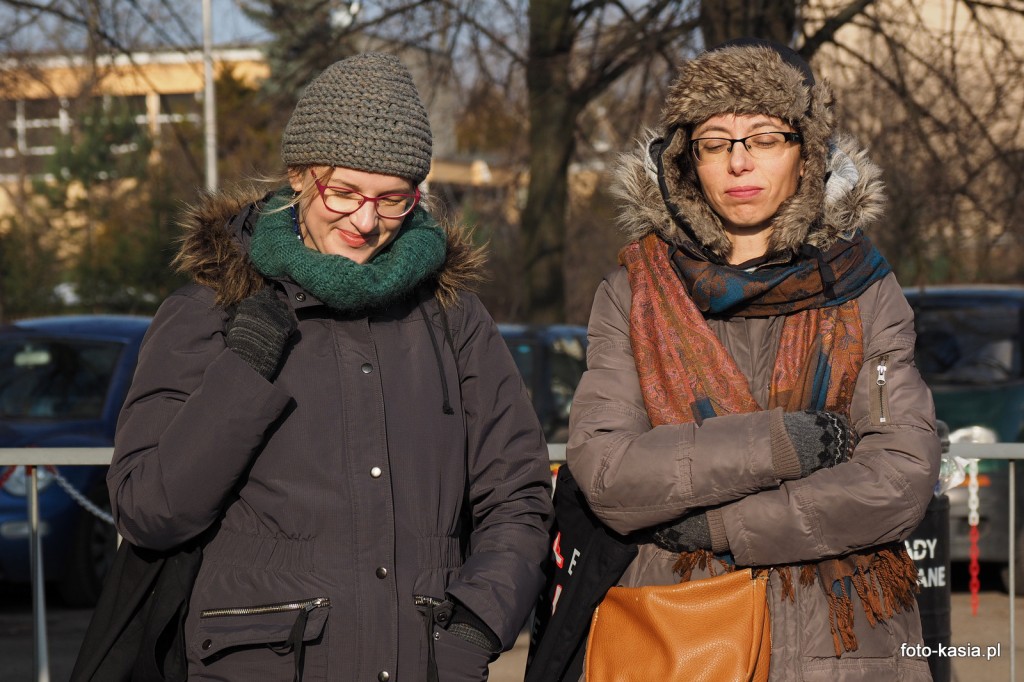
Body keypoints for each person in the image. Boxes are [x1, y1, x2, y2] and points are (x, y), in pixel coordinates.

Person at [105, 52, 552, 681]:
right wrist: (244, 371)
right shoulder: (212, 312)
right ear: (299, 175)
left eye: (392, 200)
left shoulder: (454, 319)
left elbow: (519, 497)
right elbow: (149, 510)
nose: (367, 222)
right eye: (343, 193)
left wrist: (475, 629)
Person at [565, 39, 940, 680]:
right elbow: (610, 473)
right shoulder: (632, 293)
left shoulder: (866, 290)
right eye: (716, 142)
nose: (740, 163)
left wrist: (722, 525)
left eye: (765, 138)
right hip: (683, 638)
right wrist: (781, 445)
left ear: (806, 153)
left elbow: (899, 476)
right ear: (688, 161)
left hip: (846, 649)